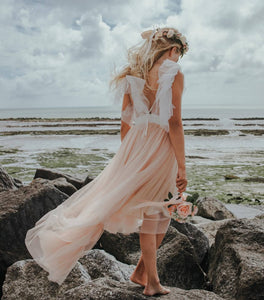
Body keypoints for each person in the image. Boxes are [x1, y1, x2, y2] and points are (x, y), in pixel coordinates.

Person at [25, 26, 188, 297]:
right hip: (160, 144)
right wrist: (182, 164)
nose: (178, 58)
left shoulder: (133, 75)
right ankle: (152, 283)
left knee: (162, 210)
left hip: (136, 144)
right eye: (179, 53)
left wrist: (130, 155)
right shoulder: (174, 72)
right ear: (173, 49)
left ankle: (140, 272)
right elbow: (174, 122)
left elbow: (125, 124)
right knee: (156, 211)